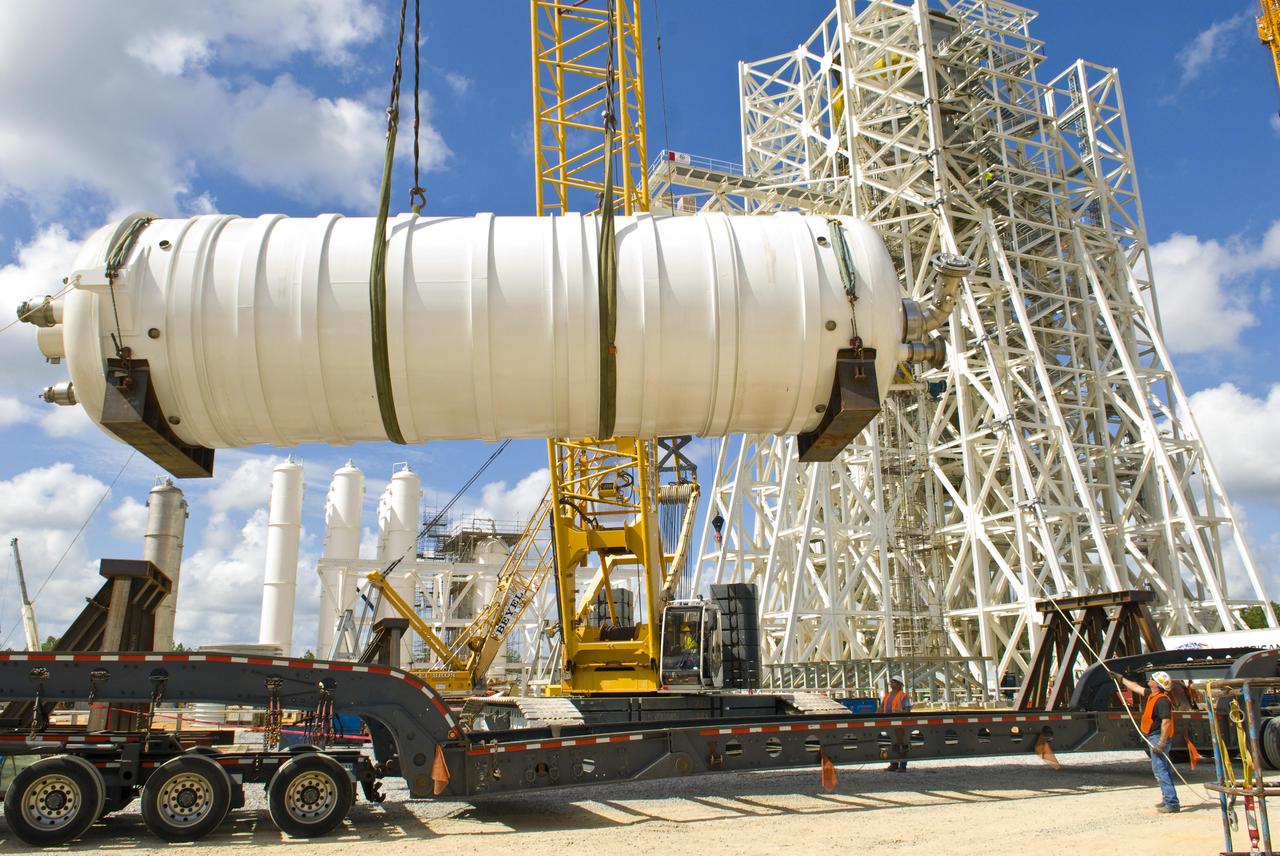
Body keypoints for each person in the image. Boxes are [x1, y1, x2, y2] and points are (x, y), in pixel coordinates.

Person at [1118, 670, 1180, 813]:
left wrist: (1161, 742)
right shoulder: (1153, 695)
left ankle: (1172, 803)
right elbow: (1136, 688)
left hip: (1158, 737)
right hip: (1154, 736)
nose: (1149, 680)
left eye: (1152, 679)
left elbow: (1166, 723)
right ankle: (1168, 799)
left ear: (1156, 684)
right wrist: (1121, 679)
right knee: (1161, 769)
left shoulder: (1162, 701)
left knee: (1160, 770)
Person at [879, 678, 912, 772]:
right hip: (889, 723)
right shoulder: (887, 695)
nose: (891, 683)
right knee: (892, 744)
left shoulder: (903, 696)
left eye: (893, 682)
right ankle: (893, 764)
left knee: (902, 744)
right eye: (891, 682)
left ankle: (902, 766)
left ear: (899, 684)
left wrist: (899, 712)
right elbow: (881, 707)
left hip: (900, 724)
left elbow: (907, 710)